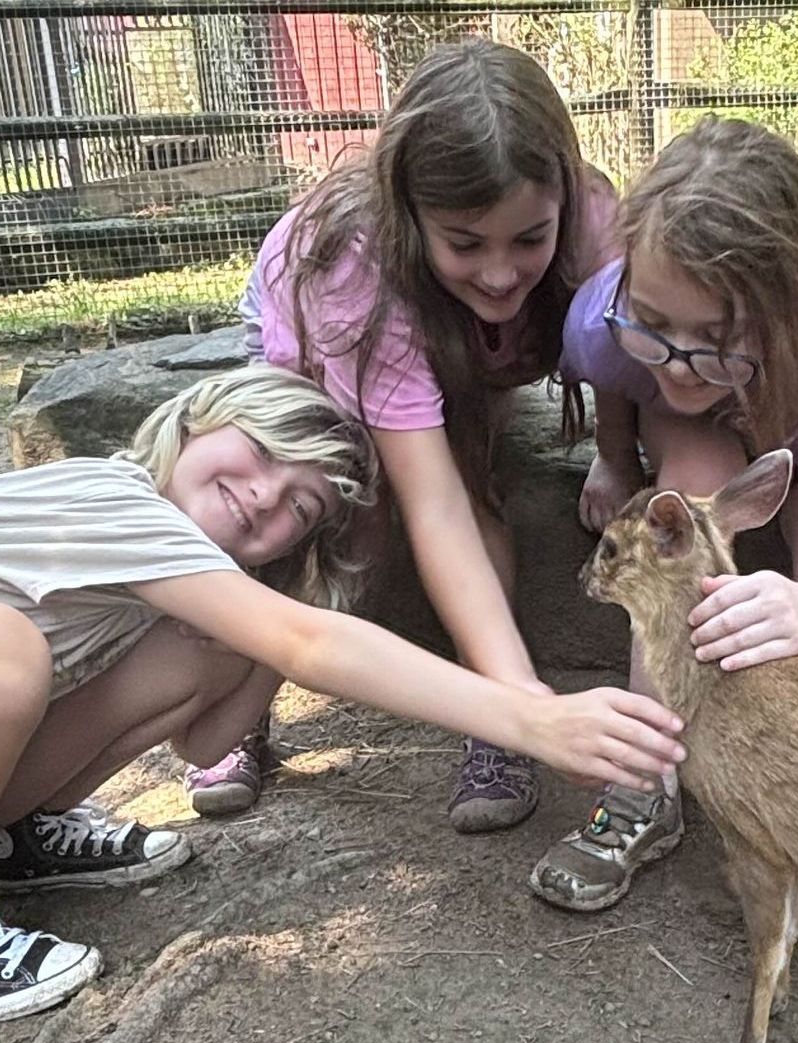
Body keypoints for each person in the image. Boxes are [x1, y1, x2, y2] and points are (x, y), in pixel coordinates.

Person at [0, 367, 683, 1020]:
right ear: (194, 421)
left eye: (298, 510)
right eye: (260, 453)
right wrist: (527, 714)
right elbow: (310, 643)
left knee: (210, 637)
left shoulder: (195, 571)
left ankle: (9, 843)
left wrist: (276, 610)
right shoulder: (107, 500)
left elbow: (208, 737)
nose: (264, 498)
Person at [529, 116, 798, 912]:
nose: (676, 357)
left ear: (792, 307)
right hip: (708, 441)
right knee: (686, 486)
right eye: (656, 324)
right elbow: (618, 372)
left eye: (715, 336)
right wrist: (613, 455)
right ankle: (644, 781)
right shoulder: (607, 319)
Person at [219, 39, 623, 832]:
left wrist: (614, 455)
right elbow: (428, 503)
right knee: (309, 495)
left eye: (527, 239)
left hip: (461, 341)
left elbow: (620, 349)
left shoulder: (592, 224)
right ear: (411, 215)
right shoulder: (354, 271)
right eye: (467, 242)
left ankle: (490, 715)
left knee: (477, 485)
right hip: (330, 340)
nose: (503, 271)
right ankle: (239, 700)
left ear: (562, 201)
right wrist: (530, 706)